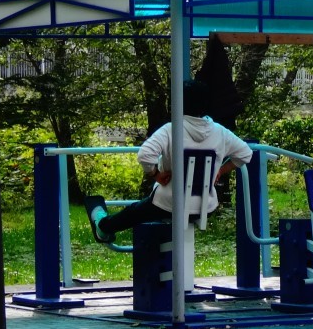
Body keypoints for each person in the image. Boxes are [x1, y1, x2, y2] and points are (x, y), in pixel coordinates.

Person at [83, 79, 253, 244]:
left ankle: (103, 227)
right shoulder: (220, 132)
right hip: (204, 208)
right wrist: (221, 170)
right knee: (148, 209)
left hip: (168, 205)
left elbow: (145, 155)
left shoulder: (171, 129)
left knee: (135, 212)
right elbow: (245, 154)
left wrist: (155, 174)